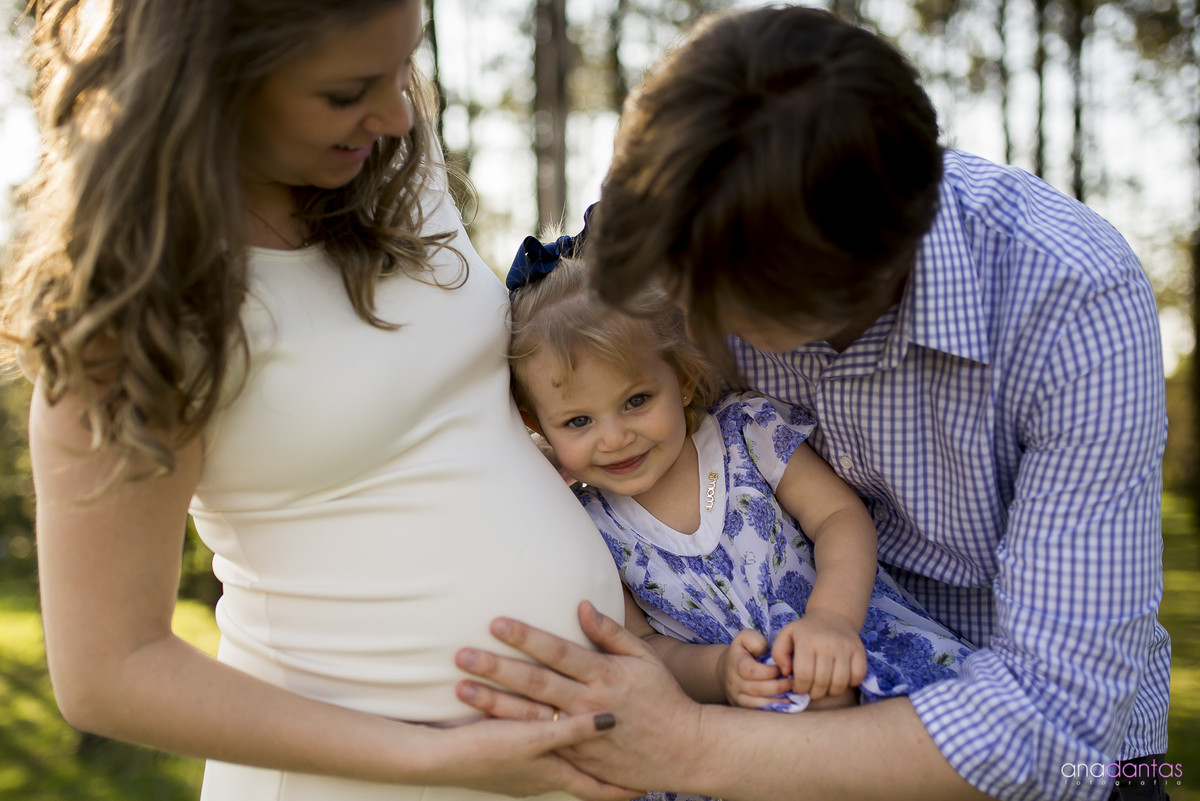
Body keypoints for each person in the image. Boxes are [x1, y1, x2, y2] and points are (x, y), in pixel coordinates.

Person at [452, 6, 1171, 801]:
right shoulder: (687, 222)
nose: (680, 316)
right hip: (777, 733)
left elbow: (1053, 727)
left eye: (714, 305)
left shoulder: (1070, 297)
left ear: (856, 286)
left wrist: (691, 743)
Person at [0, 1, 634, 799]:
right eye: (346, 92)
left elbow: (436, 413)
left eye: (402, 66)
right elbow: (108, 671)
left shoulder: (381, 159)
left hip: (557, 759)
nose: (398, 112)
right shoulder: (133, 313)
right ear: (210, 80)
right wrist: (436, 756)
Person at [506, 242, 972, 728]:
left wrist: (832, 619)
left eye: (636, 400)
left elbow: (839, 517)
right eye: (579, 420)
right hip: (742, 711)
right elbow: (641, 645)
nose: (616, 437)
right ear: (536, 421)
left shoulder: (747, 434)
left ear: (683, 379)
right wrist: (718, 671)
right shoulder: (585, 526)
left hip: (853, 644)